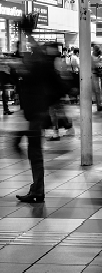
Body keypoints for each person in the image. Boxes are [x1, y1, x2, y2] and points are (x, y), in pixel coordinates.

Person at [14, 23, 66, 203]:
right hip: (34, 114)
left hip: (36, 114)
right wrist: (26, 35)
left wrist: (27, 35)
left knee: (35, 153)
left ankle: (38, 189)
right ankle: (36, 188)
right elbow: (35, 51)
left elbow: (36, 52)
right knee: (33, 152)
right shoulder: (38, 67)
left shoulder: (38, 69)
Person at [92, 46, 102, 111]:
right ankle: (99, 105)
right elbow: (99, 66)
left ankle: (98, 104)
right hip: (93, 75)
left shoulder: (95, 57)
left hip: (94, 75)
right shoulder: (93, 58)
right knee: (97, 91)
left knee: (97, 91)